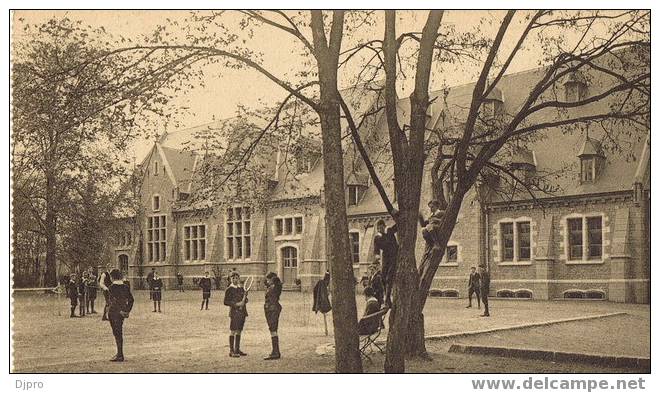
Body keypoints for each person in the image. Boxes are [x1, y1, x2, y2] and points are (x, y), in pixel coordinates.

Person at [107, 269, 134, 362]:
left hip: (114, 312)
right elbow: (131, 300)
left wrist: (119, 310)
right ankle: (119, 353)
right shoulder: (125, 287)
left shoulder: (111, 287)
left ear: (112, 277)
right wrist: (126, 310)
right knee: (119, 333)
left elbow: (113, 301)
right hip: (122, 313)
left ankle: (120, 354)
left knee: (116, 333)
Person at [373, 215, 398, 307]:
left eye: (381, 227)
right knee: (383, 277)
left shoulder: (389, 231)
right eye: (378, 228)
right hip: (385, 257)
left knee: (389, 277)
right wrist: (377, 257)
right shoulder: (377, 238)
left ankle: (387, 298)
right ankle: (385, 296)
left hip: (393, 255)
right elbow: (376, 250)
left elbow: (398, 225)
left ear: (384, 226)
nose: (380, 229)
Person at [224, 271, 248, 357]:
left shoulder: (241, 288)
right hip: (234, 312)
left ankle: (237, 349)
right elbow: (226, 302)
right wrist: (236, 304)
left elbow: (246, 300)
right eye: (233, 278)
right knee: (233, 330)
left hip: (242, 312)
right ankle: (231, 350)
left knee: (239, 330)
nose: (235, 280)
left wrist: (245, 299)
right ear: (230, 279)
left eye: (236, 278)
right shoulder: (229, 289)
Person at [263, 272, 282, 360]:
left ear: (271, 280)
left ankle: (275, 352)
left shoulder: (273, 288)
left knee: (273, 330)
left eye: (268, 279)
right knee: (273, 330)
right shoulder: (274, 287)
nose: (267, 281)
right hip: (272, 309)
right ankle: (275, 351)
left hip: (272, 310)